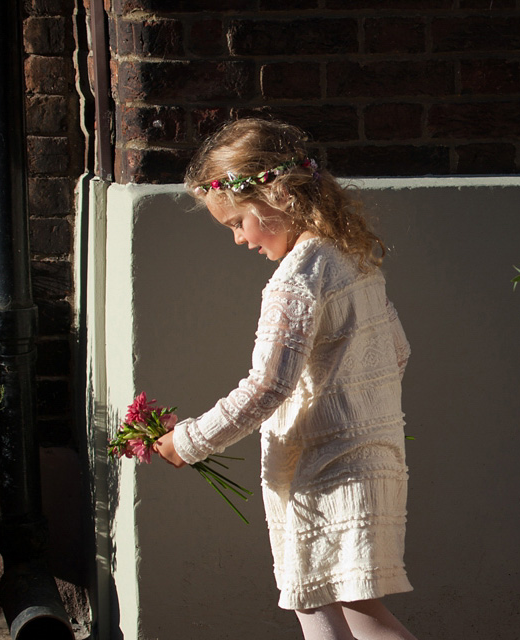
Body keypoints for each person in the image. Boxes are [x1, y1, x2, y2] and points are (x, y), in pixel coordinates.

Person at [153, 118, 417, 640]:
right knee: (330, 605)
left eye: (237, 223)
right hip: (371, 457)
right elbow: (398, 350)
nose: (237, 239)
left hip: (324, 468)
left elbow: (268, 387)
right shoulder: (350, 258)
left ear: (274, 197)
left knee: (346, 613)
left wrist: (189, 440)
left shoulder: (295, 281)